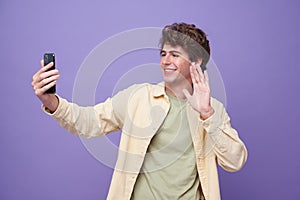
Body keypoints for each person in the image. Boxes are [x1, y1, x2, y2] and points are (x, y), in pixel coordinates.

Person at [32, 22, 247, 200]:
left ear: (196, 60)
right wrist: (51, 101)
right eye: (163, 53)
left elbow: (235, 161)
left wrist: (207, 113)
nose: (165, 61)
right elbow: (88, 122)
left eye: (174, 54)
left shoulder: (212, 110)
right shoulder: (138, 98)